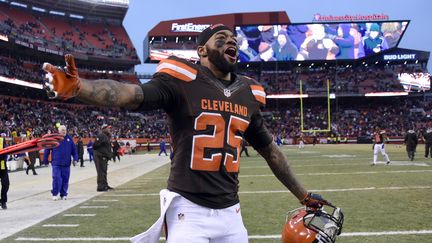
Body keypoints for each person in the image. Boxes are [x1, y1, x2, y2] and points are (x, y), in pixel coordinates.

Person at [42, 24, 333, 242]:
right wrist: (81, 88)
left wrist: (303, 195)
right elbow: (130, 94)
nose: (231, 42)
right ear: (202, 50)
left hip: (231, 213)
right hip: (188, 211)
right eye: (222, 39)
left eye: (234, 40)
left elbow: (271, 151)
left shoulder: (247, 92)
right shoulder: (182, 79)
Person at [43, 125, 78, 200]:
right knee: (57, 178)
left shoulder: (69, 139)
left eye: (65, 130)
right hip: (56, 163)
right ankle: (55, 193)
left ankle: (63, 194)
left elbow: (74, 150)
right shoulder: (54, 138)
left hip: (66, 164)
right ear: (58, 131)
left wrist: (75, 159)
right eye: (62, 130)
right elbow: (47, 149)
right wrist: (45, 160)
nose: (64, 131)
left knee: (65, 179)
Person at [93, 124, 114, 192]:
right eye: (108, 128)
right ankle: (100, 187)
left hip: (104, 156)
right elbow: (95, 145)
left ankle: (105, 185)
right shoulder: (101, 135)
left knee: (104, 171)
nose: (109, 129)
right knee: (101, 172)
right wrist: (101, 152)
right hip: (100, 156)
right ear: (104, 129)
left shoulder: (106, 136)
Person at [0, 133, 9, 209]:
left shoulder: (2, 140)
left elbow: (6, 151)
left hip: (2, 165)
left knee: (6, 183)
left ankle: (3, 201)